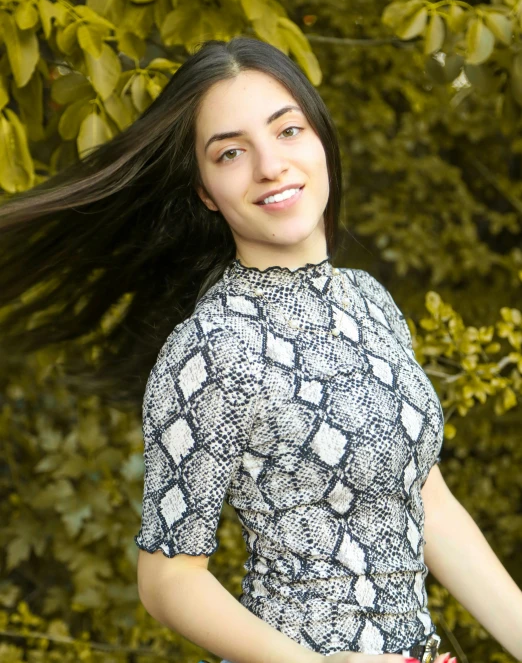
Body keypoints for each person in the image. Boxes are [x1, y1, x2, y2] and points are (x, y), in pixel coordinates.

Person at [1, 38, 520, 663]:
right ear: (205, 189)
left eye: (288, 131)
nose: (270, 166)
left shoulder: (372, 302)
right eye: (231, 152)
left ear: (321, 139)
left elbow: (425, 499)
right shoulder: (210, 347)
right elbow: (169, 580)